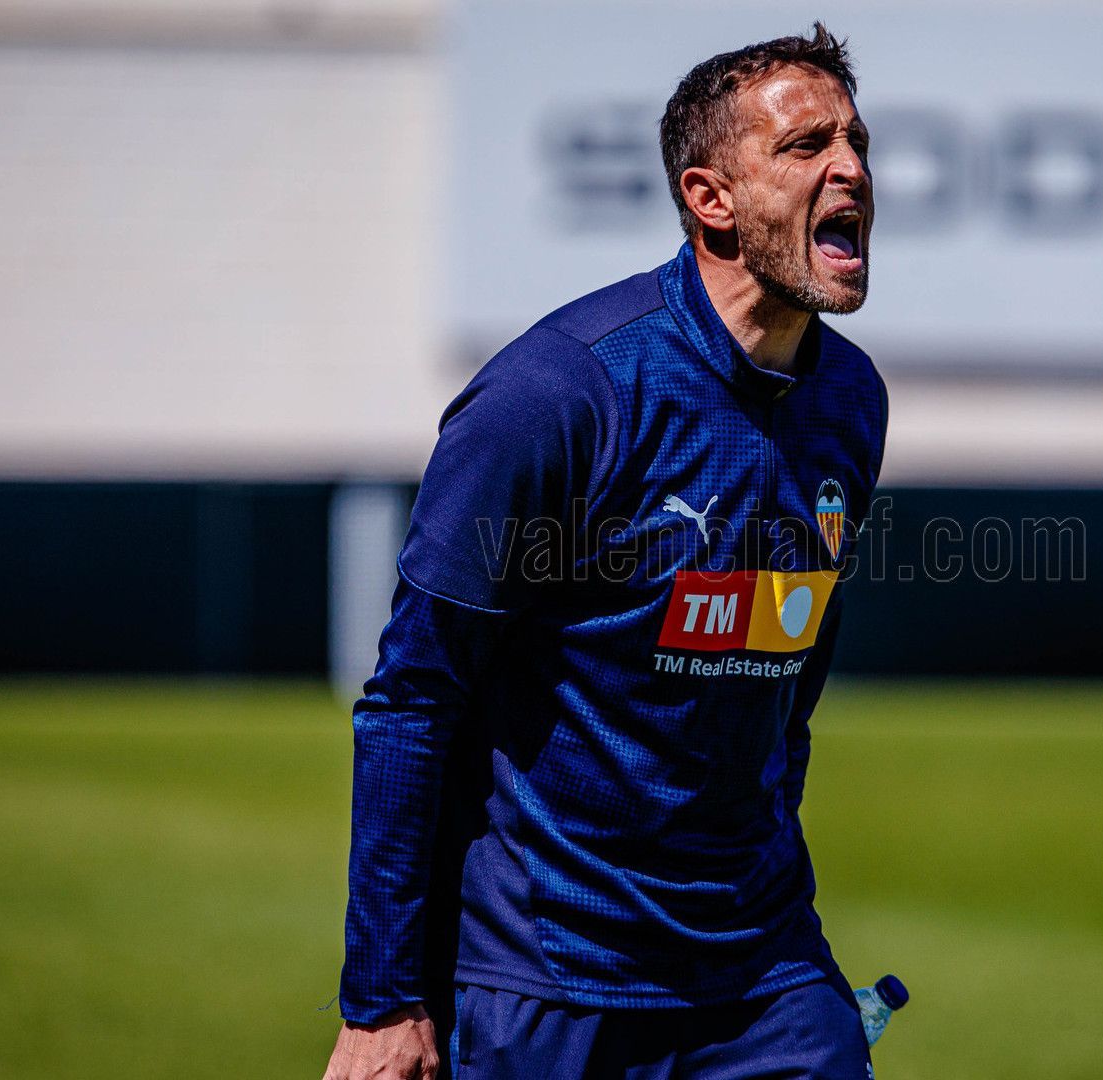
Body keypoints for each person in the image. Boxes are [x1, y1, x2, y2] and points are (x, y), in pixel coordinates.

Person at [321, 22, 888, 1080]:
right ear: (710, 200)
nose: (852, 167)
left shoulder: (851, 400)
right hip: (552, 978)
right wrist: (384, 997)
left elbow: (790, 680)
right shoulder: (556, 397)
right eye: (806, 146)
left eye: (856, 142)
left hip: (763, 975)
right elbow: (413, 699)